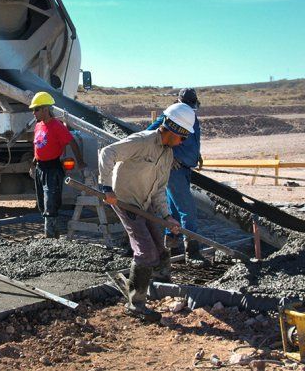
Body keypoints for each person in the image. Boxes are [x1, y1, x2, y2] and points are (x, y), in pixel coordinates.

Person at [99, 102, 195, 321]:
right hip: (126, 201)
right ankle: (136, 303)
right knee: (146, 252)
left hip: (146, 201)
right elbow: (108, 153)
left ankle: (160, 285)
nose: (182, 142)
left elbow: (160, 190)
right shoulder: (142, 141)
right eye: (182, 137)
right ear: (173, 130)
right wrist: (106, 187)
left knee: (160, 249)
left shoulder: (168, 155)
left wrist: (166, 216)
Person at [146, 88, 206, 269]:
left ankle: (169, 247)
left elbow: (192, 139)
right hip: (174, 169)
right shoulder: (170, 115)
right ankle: (192, 252)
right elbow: (151, 135)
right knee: (188, 209)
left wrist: (197, 155)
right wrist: (169, 156)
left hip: (186, 168)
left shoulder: (190, 116)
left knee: (173, 209)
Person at [30, 91, 86, 238]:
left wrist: (80, 162)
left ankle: (49, 234)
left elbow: (72, 142)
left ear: (45, 109)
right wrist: (34, 161)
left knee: (51, 200)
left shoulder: (57, 126)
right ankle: (53, 233)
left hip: (52, 168)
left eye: (36, 109)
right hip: (40, 168)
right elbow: (37, 145)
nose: (34, 112)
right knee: (42, 201)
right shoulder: (38, 126)